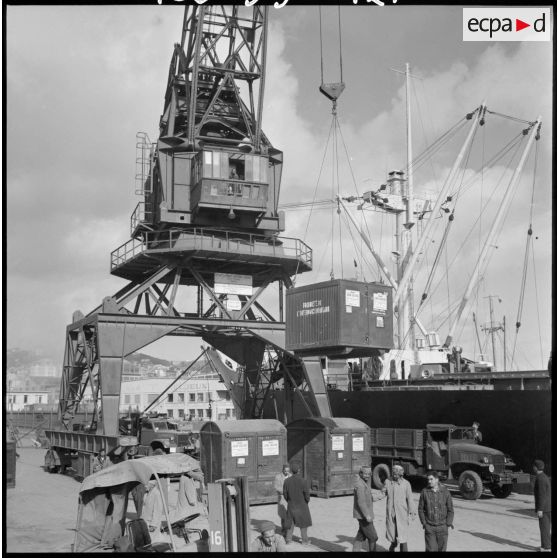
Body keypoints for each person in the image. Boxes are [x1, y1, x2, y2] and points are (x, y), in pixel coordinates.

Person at [418, 471, 454, 552]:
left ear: (437, 480)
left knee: (442, 549)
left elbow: (450, 509)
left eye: (431, 479)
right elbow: (420, 509)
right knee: (431, 549)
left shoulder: (445, 491)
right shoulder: (424, 492)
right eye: (428, 479)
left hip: (442, 527)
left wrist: (448, 523)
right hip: (430, 527)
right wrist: (424, 523)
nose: (429, 481)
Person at [352, 465, 385, 552]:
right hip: (363, 515)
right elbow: (361, 502)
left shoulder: (366, 483)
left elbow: (369, 498)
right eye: (365, 474)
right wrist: (367, 515)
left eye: (368, 474)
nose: (367, 476)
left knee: (361, 535)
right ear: (361, 474)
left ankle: (355, 550)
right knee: (373, 537)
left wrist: (382, 495)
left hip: (364, 515)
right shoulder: (360, 485)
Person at [384, 464, 415, 552]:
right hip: (391, 513)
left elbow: (410, 499)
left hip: (402, 514)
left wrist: (412, 511)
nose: (395, 475)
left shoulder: (406, 484)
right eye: (393, 473)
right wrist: (372, 497)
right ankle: (392, 546)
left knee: (403, 537)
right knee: (393, 535)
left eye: (397, 474)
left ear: (401, 474)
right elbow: (383, 492)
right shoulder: (387, 481)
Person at [283, 461, 312, 545]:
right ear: (299, 470)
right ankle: (305, 541)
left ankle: (288, 540)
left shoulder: (287, 481)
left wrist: (289, 500)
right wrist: (306, 501)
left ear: (291, 471)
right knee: (303, 524)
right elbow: (307, 495)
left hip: (291, 505)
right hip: (302, 505)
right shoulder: (303, 481)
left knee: (290, 523)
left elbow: (285, 494)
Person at [533, 459, 551, 552]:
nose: (533, 468)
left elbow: (541, 495)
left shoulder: (540, 478)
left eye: (534, 466)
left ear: (536, 467)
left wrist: (540, 509)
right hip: (548, 507)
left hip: (544, 508)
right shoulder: (544, 477)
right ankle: (545, 545)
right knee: (546, 528)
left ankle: (546, 547)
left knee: (544, 528)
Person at [273, 464, 291, 537]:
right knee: (283, 516)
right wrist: (285, 492)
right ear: (282, 470)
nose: (286, 472)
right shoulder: (278, 477)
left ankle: (288, 530)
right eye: (285, 471)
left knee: (289, 516)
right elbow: (276, 487)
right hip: (282, 498)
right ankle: (284, 530)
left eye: (288, 471)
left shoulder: (291, 476)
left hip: (290, 499)